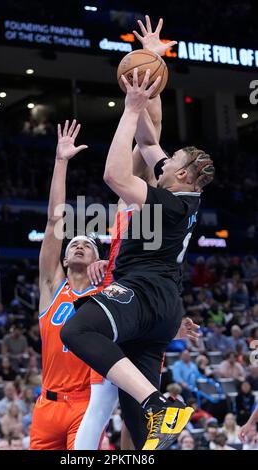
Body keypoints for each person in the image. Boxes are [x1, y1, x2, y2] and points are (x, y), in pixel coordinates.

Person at [60, 15, 215, 451]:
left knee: (77, 333)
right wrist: (152, 63)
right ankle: (151, 406)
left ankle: (155, 401)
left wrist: (129, 108)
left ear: (181, 173)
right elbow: (150, 140)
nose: (161, 161)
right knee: (139, 438)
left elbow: (119, 169)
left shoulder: (165, 200)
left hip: (142, 293)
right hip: (156, 304)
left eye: (171, 162)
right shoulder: (179, 192)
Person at [29, 120, 101, 450]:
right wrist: (61, 162)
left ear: (99, 259)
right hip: (47, 404)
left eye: (87, 243)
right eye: (74, 243)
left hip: (86, 403)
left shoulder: (104, 295)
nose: (78, 244)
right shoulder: (52, 285)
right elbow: (54, 220)